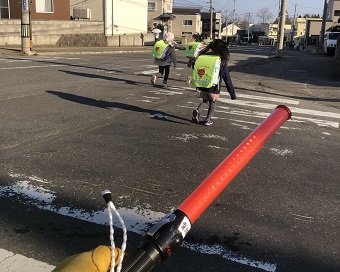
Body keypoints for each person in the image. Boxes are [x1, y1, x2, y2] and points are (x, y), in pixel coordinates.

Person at [191, 39, 237, 126]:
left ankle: (197, 111)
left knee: (206, 101)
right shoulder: (220, 60)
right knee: (212, 102)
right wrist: (232, 93)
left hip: (203, 84)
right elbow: (227, 77)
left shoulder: (205, 56)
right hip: (214, 86)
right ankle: (207, 119)